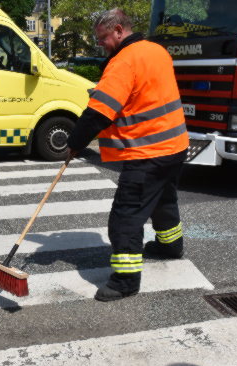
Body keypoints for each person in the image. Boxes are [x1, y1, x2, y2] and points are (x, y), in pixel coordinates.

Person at [66, 9, 189, 302]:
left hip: (147, 152)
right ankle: (170, 246)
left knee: (125, 217)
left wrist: (74, 143)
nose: (101, 45)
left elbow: (99, 113)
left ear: (119, 30)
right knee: (163, 199)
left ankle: (125, 281)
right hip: (175, 145)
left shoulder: (123, 62)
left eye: (103, 38)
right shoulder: (156, 51)